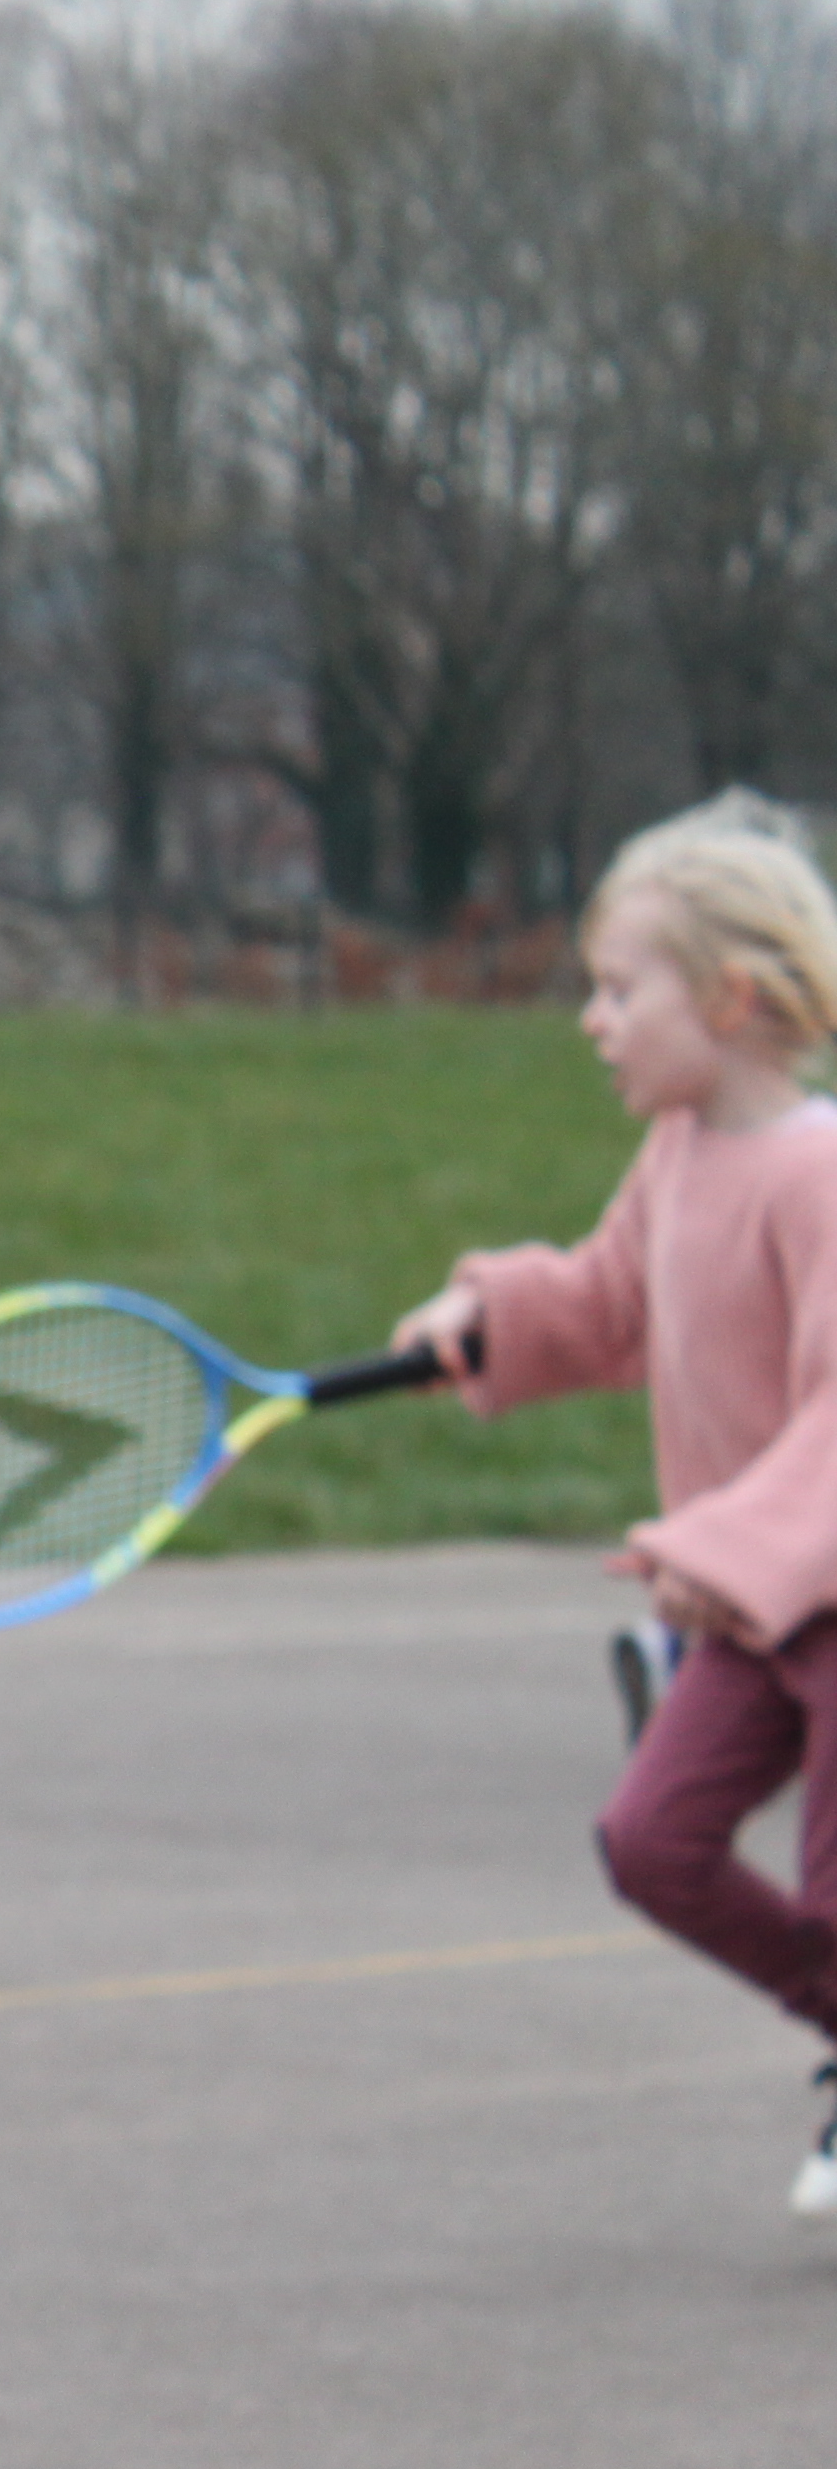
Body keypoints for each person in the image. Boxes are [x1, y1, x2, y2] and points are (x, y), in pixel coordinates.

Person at [393, 795, 837, 2217]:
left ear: (737, 996)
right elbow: (603, 1304)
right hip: (745, 1609)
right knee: (653, 1844)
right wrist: (488, 1315)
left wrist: (718, 1542)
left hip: (812, 1594)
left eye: (619, 987)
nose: (593, 1019)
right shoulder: (680, 1159)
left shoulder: (820, 1174)